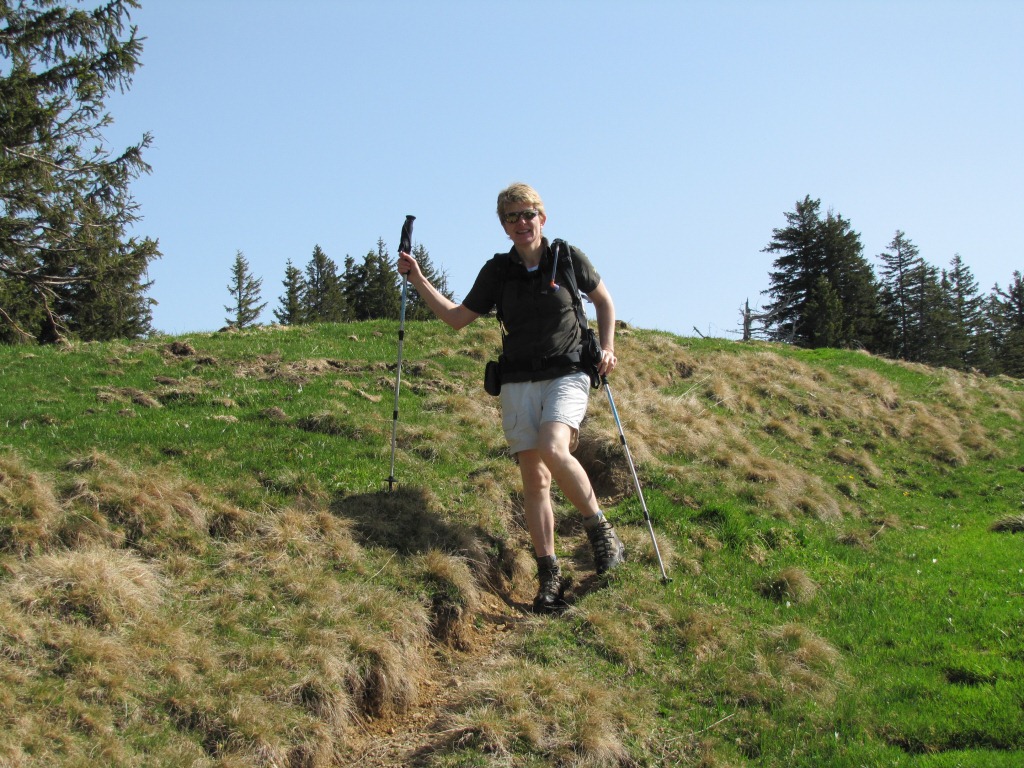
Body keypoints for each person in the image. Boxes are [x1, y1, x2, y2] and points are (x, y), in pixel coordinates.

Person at [396, 182, 626, 612]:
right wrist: (419, 279)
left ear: (542, 217)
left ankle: (602, 533)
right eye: (512, 217)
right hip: (517, 380)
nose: (522, 222)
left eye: (528, 214)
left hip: (567, 373)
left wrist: (609, 348)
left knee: (553, 448)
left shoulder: (567, 257)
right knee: (534, 480)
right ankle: (549, 575)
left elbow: (604, 301)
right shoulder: (498, 271)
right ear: (504, 226)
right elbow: (456, 318)